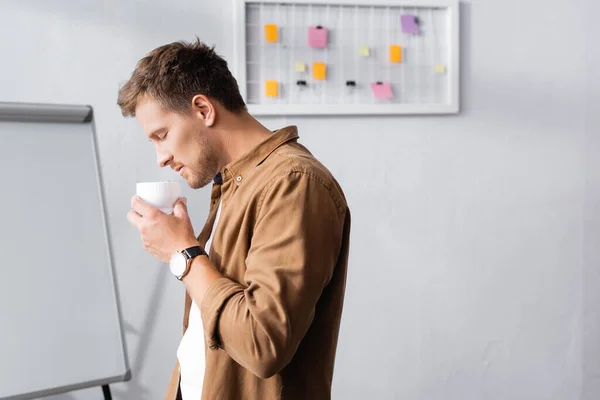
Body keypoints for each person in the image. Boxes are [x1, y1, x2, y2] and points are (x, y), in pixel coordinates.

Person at [118, 39, 351, 400]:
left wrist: (184, 254)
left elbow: (263, 342)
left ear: (203, 109)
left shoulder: (294, 184)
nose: (160, 158)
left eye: (162, 136)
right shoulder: (232, 182)